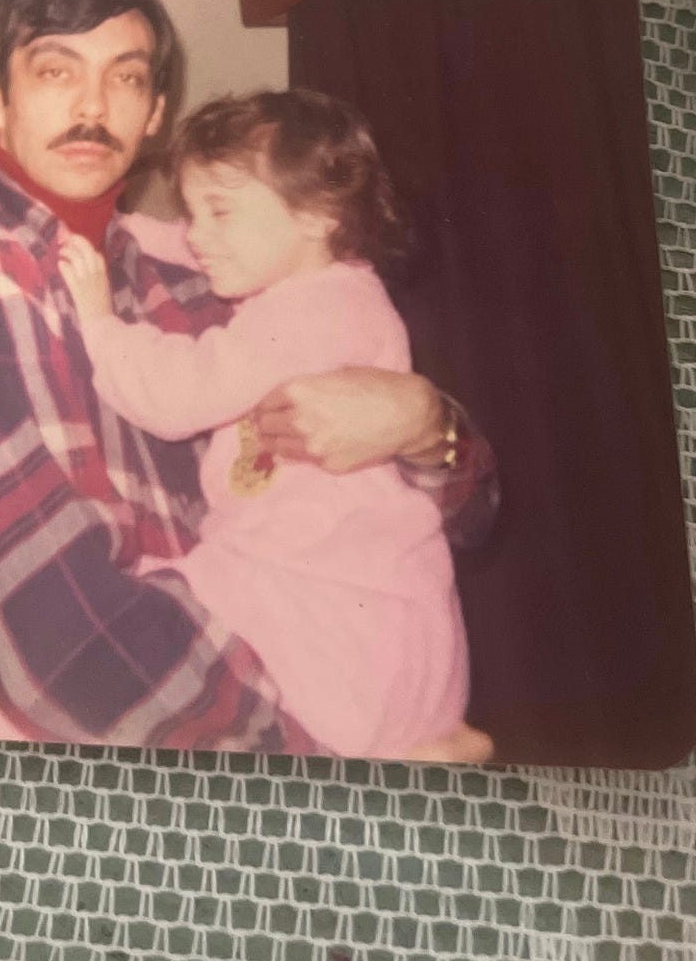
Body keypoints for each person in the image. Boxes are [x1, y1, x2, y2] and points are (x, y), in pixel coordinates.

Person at [0, 0, 493, 750]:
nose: (94, 105)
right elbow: (61, 640)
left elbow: (471, 514)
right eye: (58, 70)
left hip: (287, 671)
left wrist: (426, 424)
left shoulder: (196, 270)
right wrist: (334, 777)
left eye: (126, 79)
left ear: (156, 113)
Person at [57, 89, 488, 761]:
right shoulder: (324, 281)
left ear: (318, 213)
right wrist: (129, 228)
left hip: (330, 601)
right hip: (364, 612)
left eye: (219, 210)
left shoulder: (312, 312)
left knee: (127, 613)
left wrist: (99, 325)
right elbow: (209, 246)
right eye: (192, 211)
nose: (198, 232)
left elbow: (177, 393)